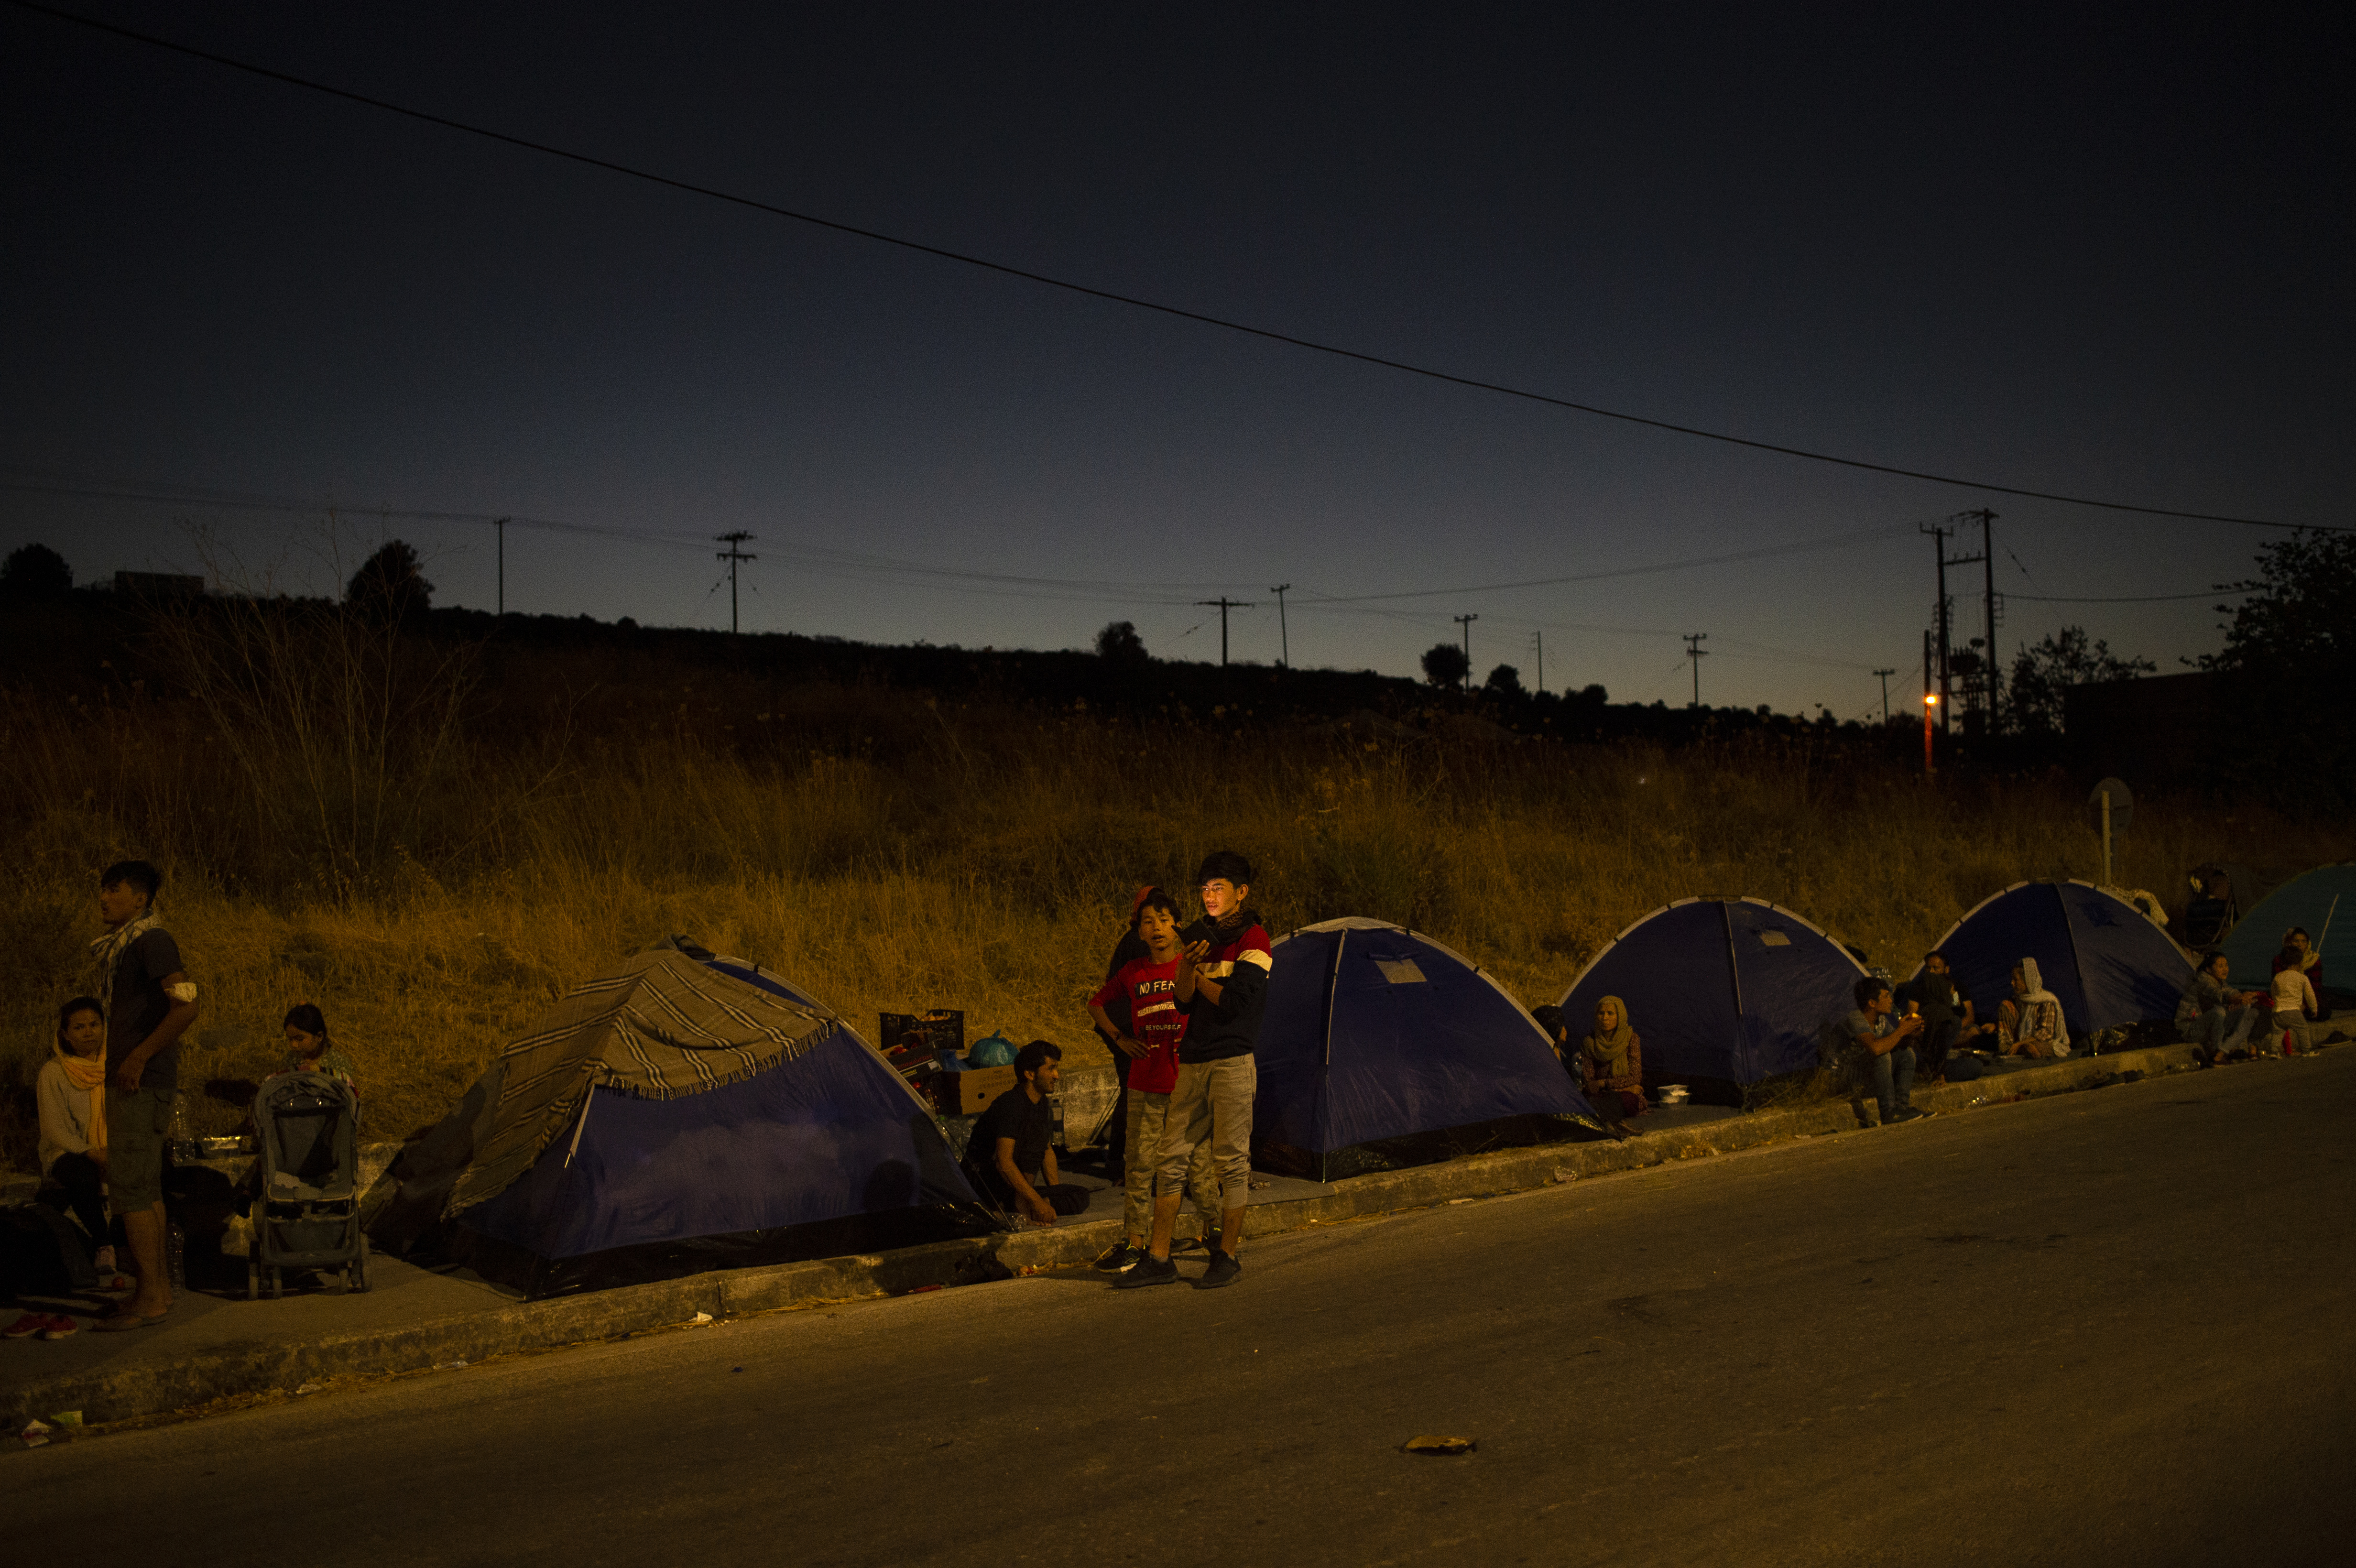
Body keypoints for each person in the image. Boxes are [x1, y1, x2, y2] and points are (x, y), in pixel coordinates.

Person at [1118, 849, 1271, 1291]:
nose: (1210, 896)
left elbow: (1235, 1003)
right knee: (1171, 1157)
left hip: (1232, 1061)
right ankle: (1159, 1257)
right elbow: (1182, 1000)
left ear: (1241, 893)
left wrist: (1198, 974)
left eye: (1218, 888)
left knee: (1230, 1160)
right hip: (1194, 1059)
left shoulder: (1255, 940)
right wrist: (1187, 965)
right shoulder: (1200, 939)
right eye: (1205, 889)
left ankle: (1226, 1255)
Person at [1086, 890, 1220, 1272]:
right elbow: (1095, 1004)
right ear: (1139, 933)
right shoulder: (1132, 973)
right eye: (1148, 922)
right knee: (1140, 1166)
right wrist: (1119, 1038)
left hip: (1187, 1086)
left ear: (1177, 927)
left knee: (1199, 1164)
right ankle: (1135, 1241)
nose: (1157, 927)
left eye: (1164, 919)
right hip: (1144, 1084)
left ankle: (1214, 1229)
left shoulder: (1192, 967)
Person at [89, 860, 197, 1332]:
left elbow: (187, 1004)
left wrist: (137, 1057)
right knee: (144, 1188)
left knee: (131, 1191)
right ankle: (158, 1290)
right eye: (102, 890)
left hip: (139, 1081)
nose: (103, 898)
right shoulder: (128, 945)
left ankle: (149, 1296)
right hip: (139, 1081)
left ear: (140, 898)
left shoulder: (151, 939)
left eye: (114, 890)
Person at [1090, 886, 1158, 1235]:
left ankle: (1120, 1162)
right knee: (1133, 1090)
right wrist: (1123, 1037)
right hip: (1122, 1027)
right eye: (1151, 916)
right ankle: (1119, 1164)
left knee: (1132, 1089)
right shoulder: (1136, 943)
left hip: (1128, 1028)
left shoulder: (1145, 941)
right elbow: (1107, 999)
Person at [962, 1040, 1091, 1223]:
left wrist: (1054, 1195)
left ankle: (1025, 1207)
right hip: (987, 1182)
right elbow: (1003, 1162)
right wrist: (1037, 1201)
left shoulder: (1042, 1103)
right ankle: (1016, 1208)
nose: (1057, 1076)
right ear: (1030, 1074)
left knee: (1081, 1195)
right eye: (1051, 1069)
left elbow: (1046, 1150)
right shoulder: (1011, 1105)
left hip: (1017, 1185)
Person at [37, 997, 116, 1274]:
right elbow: (53, 1129)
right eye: (79, 1027)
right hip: (67, 1151)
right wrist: (92, 1152)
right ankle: (103, 1245)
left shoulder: (115, 1065)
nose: (89, 1032)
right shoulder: (54, 1072)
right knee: (81, 1173)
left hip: (111, 1147)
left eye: (95, 1025)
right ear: (66, 1034)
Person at [1833, 976, 1928, 1126]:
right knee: (1882, 1056)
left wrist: (1911, 1034)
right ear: (1872, 1003)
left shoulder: (1881, 1020)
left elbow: (1894, 1045)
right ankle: (1888, 1112)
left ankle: (1902, 1107)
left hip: (1868, 1076)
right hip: (1849, 1082)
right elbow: (1875, 1049)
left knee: (1907, 1054)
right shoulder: (1856, 1018)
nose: (1891, 1000)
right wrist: (1901, 1032)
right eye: (1886, 997)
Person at [1902, 951, 1994, 1081]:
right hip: (1930, 1044)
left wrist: (1956, 1030)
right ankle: (1932, 1071)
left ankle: (1929, 1071)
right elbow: (1912, 1017)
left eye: (1936, 968)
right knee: (1974, 1066)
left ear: (1946, 970)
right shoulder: (1920, 989)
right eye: (1928, 968)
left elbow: (1966, 1014)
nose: (1931, 972)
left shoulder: (1953, 990)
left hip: (1950, 1037)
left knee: (1975, 1059)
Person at [2175, 951, 2262, 1065]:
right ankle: (2215, 1052)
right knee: (2219, 1012)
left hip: (2207, 1026)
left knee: (2243, 1008)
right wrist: (2235, 999)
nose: (2225, 969)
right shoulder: (2203, 980)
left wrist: (2243, 997)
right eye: (2220, 966)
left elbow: (2230, 992)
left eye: (2226, 965)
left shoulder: (2220, 981)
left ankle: (2232, 1048)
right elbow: (2218, 994)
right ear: (2208, 969)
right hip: (2191, 1027)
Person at [1578, 996, 1646, 1125]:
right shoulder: (1590, 1043)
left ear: (1620, 1016)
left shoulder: (1630, 1039)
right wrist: (1624, 1088)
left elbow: (1635, 1078)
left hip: (1623, 1096)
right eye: (1601, 1013)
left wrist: (1604, 1084)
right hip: (1605, 1095)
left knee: (1627, 1100)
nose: (1605, 1018)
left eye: (1610, 1014)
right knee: (1591, 1101)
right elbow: (1590, 1082)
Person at [1996, 959, 2068, 1058]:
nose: (2012, 983)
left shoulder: (2046, 1001)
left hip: (2038, 1041)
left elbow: (2045, 1034)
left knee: (2039, 1047)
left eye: (2016, 980)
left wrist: (2021, 1044)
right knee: (2006, 1006)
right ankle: (2010, 1050)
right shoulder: (2018, 1000)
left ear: (2027, 980)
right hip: (2020, 1041)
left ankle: (2024, 1050)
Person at [280, 1003, 359, 1089]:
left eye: (300, 1039)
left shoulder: (338, 1065)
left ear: (319, 1037)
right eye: (290, 1039)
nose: (294, 1045)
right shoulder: (293, 1058)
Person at [2269, 946, 2320, 1056]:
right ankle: (2307, 1051)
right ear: (2300, 962)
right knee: (2303, 1029)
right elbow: (2310, 995)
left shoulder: (2278, 977)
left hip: (2278, 1011)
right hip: (2293, 1011)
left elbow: (2273, 992)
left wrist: (2277, 1002)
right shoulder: (2302, 978)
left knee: (2278, 1032)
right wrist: (2314, 1009)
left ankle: (2274, 1052)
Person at [2272, 928, 2327, 1021]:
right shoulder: (2280, 960)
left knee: (2323, 1012)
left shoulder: (2313, 959)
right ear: (2289, 942)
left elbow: (2315, 988)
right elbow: (2277, 987)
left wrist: (2306, 1005)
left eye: (2304, 941)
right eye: (2296, 941)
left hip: (2305, 1003)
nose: (2300, 945)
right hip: (2286, 1003)